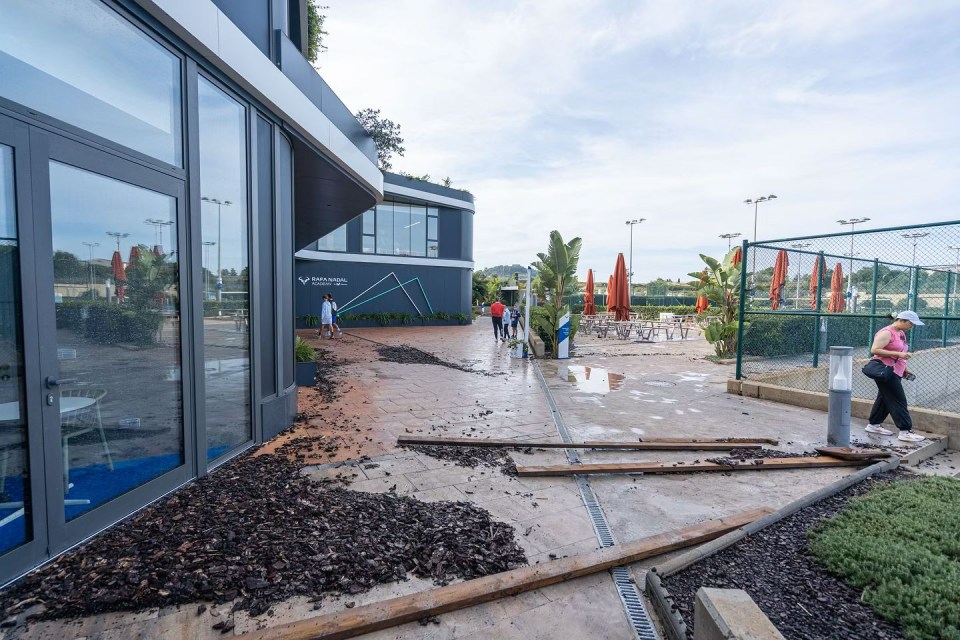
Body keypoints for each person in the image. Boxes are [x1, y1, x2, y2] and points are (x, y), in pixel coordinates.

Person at [863, 310, 925, 443]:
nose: (912, 326)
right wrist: (898, 354)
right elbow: (874, 350)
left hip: (895, 371)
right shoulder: (886, 332)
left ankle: (873, 425)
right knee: (898, 400)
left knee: (884, 399)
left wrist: (904, 369)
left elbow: (900, 353)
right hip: (885, 370)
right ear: (901, 320)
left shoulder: (901, 333)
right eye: (911, 323)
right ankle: (905, 431)